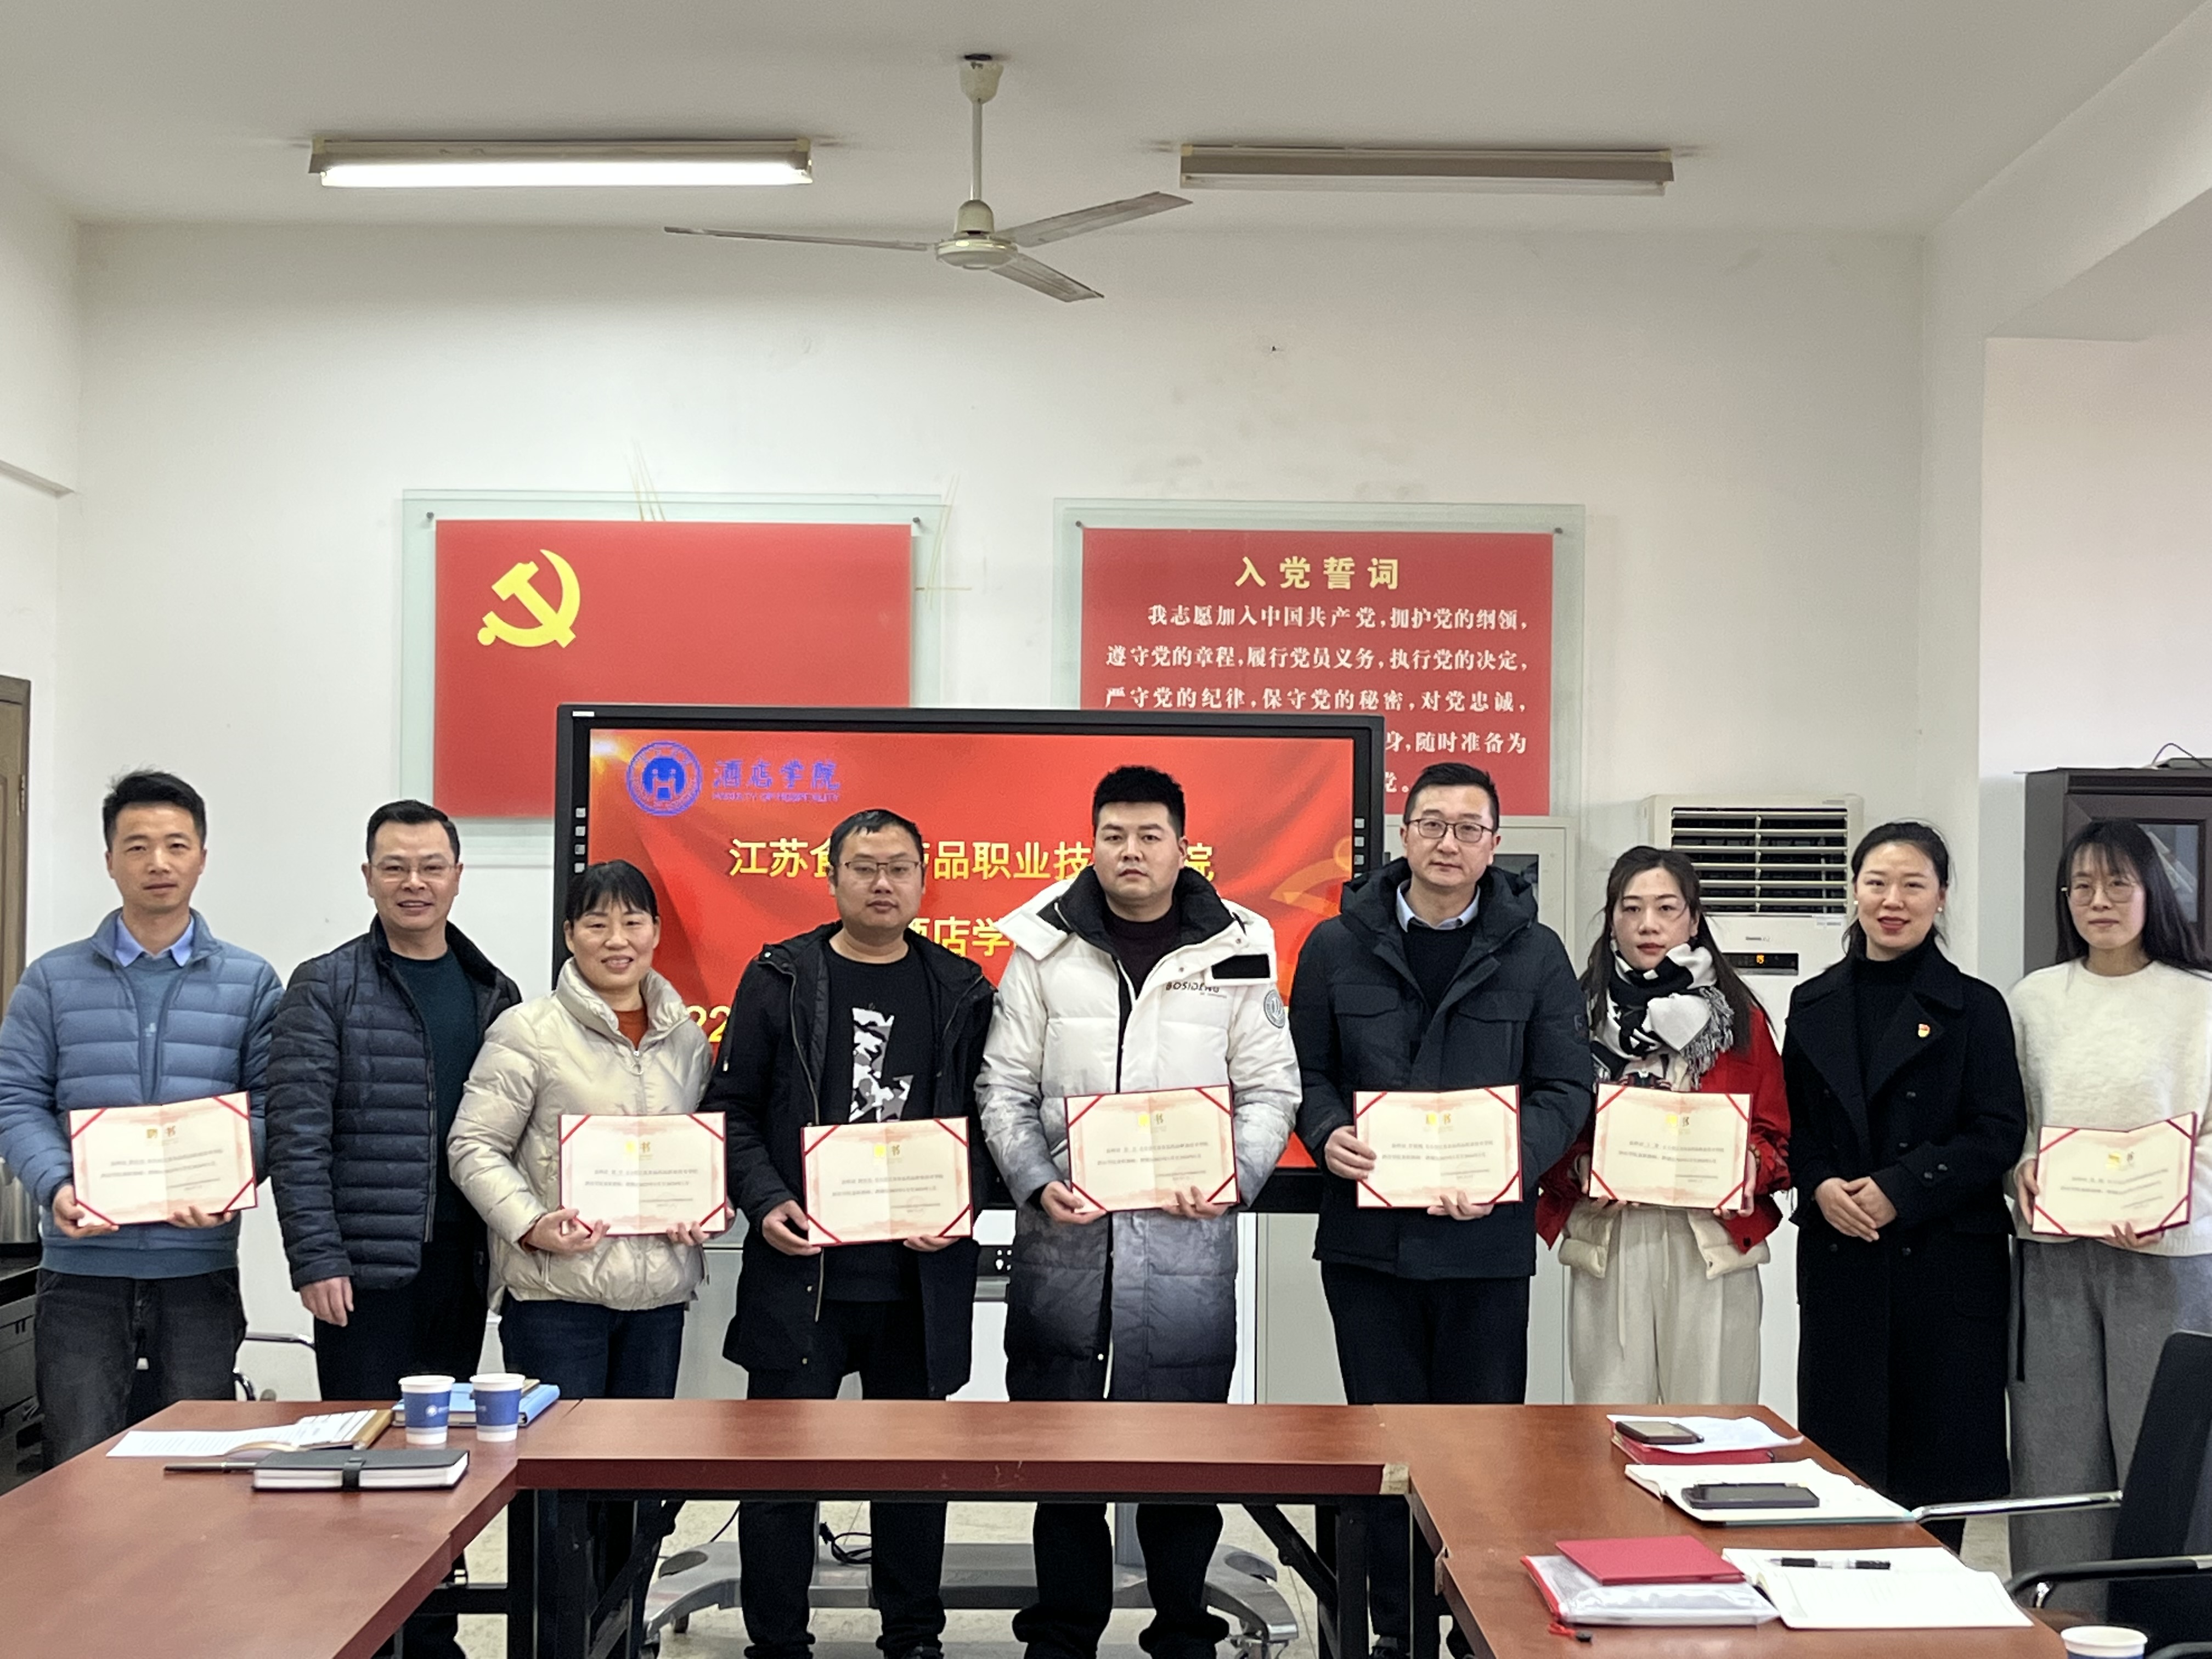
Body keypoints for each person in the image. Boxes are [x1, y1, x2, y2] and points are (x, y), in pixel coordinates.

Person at [980, 766, 1299, 1659]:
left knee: (1182, 1453)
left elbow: (1271, 1085)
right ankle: (1063, 1632)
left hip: (1186, 1237)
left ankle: (1183, 1630)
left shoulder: (1238, 942)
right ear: (1090, 843)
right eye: (1114, 835)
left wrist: (1233, 1174)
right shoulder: (1043, 944)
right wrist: (1035, 1180)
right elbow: (1003, 1085)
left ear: (1183, 846)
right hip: (1068, 1237)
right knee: (1060, 1453)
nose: (1131, 851)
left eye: (1150, 835)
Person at [1288, 760, 1590, 1659]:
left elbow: (1566, 1086)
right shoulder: (1335, 944)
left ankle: (1474, 1625)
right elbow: (1304, 1070)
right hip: (1368, 1243)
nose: (1448, 842)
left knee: (1481, 1447)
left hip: (1484, 1244)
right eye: (1431, 823)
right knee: (1385, 1445)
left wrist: (1506, 1164)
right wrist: (1326, 1132)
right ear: (1403, 834)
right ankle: (1396, 1627)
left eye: (1468, 827)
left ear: (1494, 843)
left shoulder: (1536, 952)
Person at [708, 808, 995, 1659]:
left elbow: (993, 1122)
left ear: (924, 880)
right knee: (778, 1477)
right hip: (803, 1278)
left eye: (899, 868)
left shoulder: (962, 986)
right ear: (831, 877)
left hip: (918, 1284)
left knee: (915, 1477)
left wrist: (963, 1200)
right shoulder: (781, 978)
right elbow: (732, 1111)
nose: (881, 883)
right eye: (864, 867)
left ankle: (913, 1636)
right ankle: (777, 1642)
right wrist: (765, 1202)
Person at [0, 770, 281, 1464]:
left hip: (198, 1269)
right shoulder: (52, 981)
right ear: (109, 860)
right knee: (79, 1465)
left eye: (176, 845)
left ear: (202, 857)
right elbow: (15, 1097)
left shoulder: (251, 982)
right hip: (81, 1270)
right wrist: (57, 1185)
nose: (158, 862)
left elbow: (274, 1103)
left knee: (199, 1466)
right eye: (137, 846)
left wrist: (231, 1180)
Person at [1783, 820, 2024, 1544]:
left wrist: (1903, 1187)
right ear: (1854, 891)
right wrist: (1820, 1185)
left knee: (1935, 1486)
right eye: (1877, 883)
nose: (1893, 901)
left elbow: (1998, 1131)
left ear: (1941, 896)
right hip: (1843, 1261)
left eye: (1913, 884)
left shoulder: (1976, 1006)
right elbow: (1798, 1128)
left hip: (1945, 1267)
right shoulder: (1812, 1003)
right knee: (1842, 1476)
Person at [2007, 821, 2212, 1611]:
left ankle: (2171, 1621)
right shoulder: (2036, 998)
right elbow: (2015, 1120)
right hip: (2055, 1254)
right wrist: (2021, 1173)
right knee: (2056, 1450)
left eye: (2118, 883)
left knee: (2167, 1450)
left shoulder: (2199, 1001)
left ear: (2152, 892)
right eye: (2083, 885)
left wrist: (2171, 1203)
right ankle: (2062, 1617)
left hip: (2169, 1258)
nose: (2099, 900)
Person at [266, 801, 521, 1402]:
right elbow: (296, 1138)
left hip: (464, 1267)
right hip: (362, 1273)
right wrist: (316, 1260)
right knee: (367, 1439)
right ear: (368, 877)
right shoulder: (324, 986)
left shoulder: (492, 991)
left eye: (431, 867)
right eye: (395, 867)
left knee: (448, 1440)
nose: (414, 883)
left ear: (456, 876)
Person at [448, 859, 712, 1400]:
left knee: (644, 1454)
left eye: (633, 922)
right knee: (561, 1454)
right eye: (597, 924)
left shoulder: (686, 1041)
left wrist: (708, 1208)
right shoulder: (528, 1031)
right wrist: (530, 1224)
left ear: (656, 932)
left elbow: (703, 1153)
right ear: (570, 935)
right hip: (557, 1300)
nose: (617, 940)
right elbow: (473, 1145)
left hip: (658, 1302)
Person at [1536, 846, 1789, 1405]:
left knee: (1713, 1416)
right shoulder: (1576, 1015)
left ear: (1693, 920)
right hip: (1611, 1238)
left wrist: (1751, 1166)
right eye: (1631, 909)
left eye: (1666, 908)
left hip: (1711, 1242)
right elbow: (1546, 1126)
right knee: (1608, 1419)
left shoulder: (1738, 1020)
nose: (1647, 924)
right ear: (1612, 920)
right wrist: (1579, 1168)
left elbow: (1778, 1135)